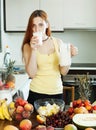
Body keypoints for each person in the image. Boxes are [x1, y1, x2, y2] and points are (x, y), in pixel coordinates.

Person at [21, 10, 78, 105]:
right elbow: (32, 74)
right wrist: (34, 49)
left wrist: (69, 56)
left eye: (40, 25)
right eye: (33, 25)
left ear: (47, 25)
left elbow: (63, 71)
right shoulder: (27, 46)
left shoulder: (58, 43)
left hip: (56, 93)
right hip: (36, 93)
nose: (37, 29)